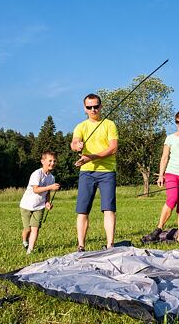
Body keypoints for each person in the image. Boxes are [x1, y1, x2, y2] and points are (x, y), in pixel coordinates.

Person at [142, 110, 179, 244]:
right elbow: (164, 158)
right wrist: (161, 175)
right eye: (178, 122)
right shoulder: (170, 138)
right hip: (171, 174)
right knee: (172, 198)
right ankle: (158, 229)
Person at [70, 93, 118, 252]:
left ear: (101, 106)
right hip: (87, 172)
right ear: (84, 108)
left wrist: (91, 157)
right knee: (82, 210)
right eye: (89, 107)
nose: (93, 109)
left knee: (108, 209)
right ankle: (81, 246)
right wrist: (77, 146)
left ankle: (110, 245)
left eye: (96, 106)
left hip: (107, 172)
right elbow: (74, 142)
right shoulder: (81, 126)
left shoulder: (109, 124)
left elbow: (113, 148)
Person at [20, 151, 60, 254]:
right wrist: (50, 187)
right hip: (26, 205)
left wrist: (47, 202)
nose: (52, 163)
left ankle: (30, 250)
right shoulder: (37, 174)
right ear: (43, 161)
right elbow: (36, 190)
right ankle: (24, 241)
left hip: (39, 206)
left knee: (35, 228)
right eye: (50, 161)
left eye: (54, 161)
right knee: (27, 229)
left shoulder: (51, 177)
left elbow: (47, 193)